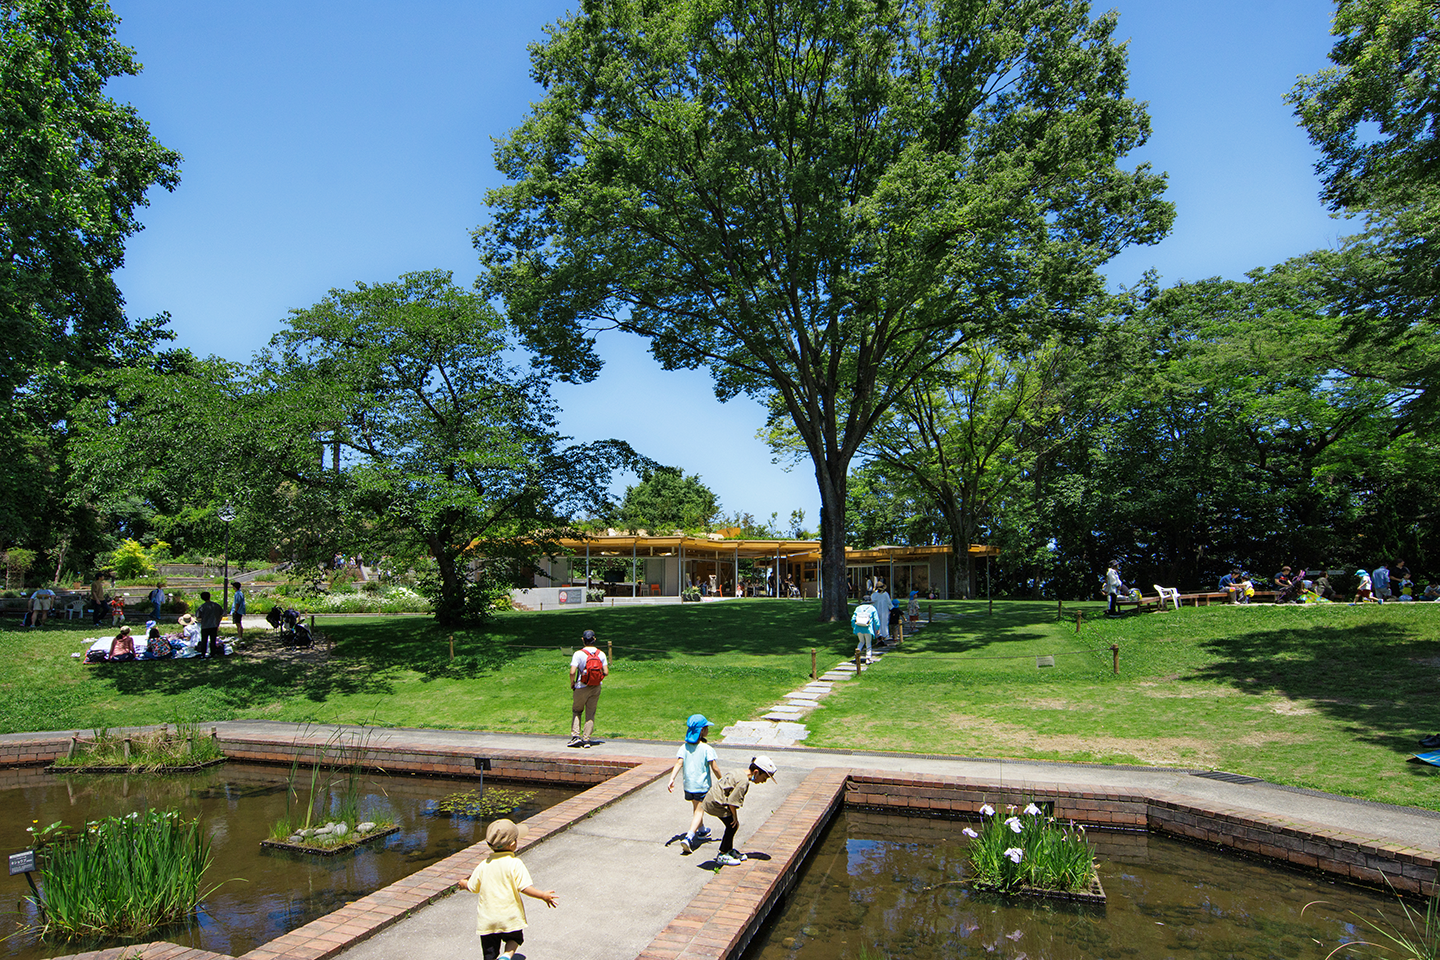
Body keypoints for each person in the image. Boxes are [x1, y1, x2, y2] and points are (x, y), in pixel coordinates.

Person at [458, 818, 558, 960]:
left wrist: (463, 884)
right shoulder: (514, 864)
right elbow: (524, 887)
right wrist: (542, 895)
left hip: (488, 920)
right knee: (514, 939)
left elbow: (473, 887)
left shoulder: (483, 865)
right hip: (509, 917)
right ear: (513, 844)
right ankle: (507, 955)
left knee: (489, 952)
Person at [700, 756, 777, 866]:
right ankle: (722, 854)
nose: (764, 781)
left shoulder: (740, 772)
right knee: (733, 825)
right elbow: (732, 801)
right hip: (715, 803)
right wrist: (735, 817)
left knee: (732, 825)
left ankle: (728, 850)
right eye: (764, 778)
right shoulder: (743, 782)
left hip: (713, 799)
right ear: (756, 772)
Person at [667, 714, 720, 854]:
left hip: (689, 785)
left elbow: (679, 763)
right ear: (702, 731)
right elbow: (714, 767)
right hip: (702, 786)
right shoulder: (707, 749)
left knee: (696, 808)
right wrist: (722, 780)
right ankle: (689, 837)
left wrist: (672, 778)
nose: (708, 730)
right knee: (699, 810)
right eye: (706, 727)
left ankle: (702, 830)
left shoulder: (684, 747)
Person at [568, 629, 608, 748]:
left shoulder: (578, 654)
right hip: (595, 687)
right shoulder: (601, 654)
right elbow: (606, 671)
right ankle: (586, 739)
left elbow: (572, 671)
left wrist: (572, 682)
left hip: (581, 686)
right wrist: (597, 679)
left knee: (577, 710)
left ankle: (576, 736)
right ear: (594, 639)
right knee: (590, 713)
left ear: (583, 640)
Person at [196, 591, 224, 658]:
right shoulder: (216, 606)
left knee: (204, 641)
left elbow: (198, 617)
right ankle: (213, 654)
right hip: (214, 625)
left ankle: (203, 654)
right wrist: (218, 623)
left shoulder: (202, 607)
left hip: (205, 626)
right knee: (213, 640)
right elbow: (221, 615)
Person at [852, 598, 878, 664]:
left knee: (861, 641)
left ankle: (857, 655)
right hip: (868, 628)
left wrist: (853, 626)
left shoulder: (858, 608)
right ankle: (868, 658)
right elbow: (876, 620)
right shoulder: (872, 608)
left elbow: (853, 619)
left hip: (858, 627)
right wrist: (878, 628)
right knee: (868, 643)